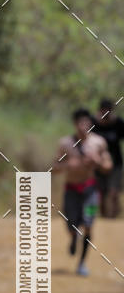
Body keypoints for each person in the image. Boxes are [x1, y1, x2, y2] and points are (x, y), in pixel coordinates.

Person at [53, 108, 112, 276]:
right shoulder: (65, 144)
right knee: (72, 225)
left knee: (88, 224)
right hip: (71, 190)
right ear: (75, 124)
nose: (83, 126)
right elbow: (54, 168)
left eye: (87, 122)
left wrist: (98, 161)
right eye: (80, 123)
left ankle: (81, 263)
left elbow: (108, 166)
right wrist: (67, 165)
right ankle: (73, 237)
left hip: (90, 191)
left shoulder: (99, 143)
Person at [94, 98, 124, 218]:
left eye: (108, 110)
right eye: (103, 110)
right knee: (101, 192)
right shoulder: (94, 123)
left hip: (116, 162)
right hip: (98, 164)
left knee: (113, 192)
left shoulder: (118, 123)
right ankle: (104, 217)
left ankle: (114, 217)